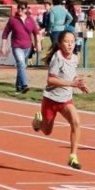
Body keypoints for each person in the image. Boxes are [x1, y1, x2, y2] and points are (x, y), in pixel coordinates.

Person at [32, 31, 90, 170]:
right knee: (47, 131)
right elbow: (50, 79)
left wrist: (79, 83)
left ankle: (73, 156)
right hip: (51, 99)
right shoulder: (57, 58)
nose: (70, 44)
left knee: (76, 122)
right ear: (60, 44)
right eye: (66, 42)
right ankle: (37, 122)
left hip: (66, 100)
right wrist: (71, 84)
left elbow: (71, 74)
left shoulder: (75, 58)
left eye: (72, 41)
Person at [1, 3, 41, 93]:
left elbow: (36, 32)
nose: (20, 10)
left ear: (26, 9)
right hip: (16, 46)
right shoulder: (12, 20)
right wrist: (3, 46)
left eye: (22, 8)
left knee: (22, 66)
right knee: (21, 64)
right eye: (18, 8)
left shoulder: (30, 20)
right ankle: (24, 85)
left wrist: (38, 43)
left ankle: (18, 86)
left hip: (27, 46)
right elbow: (5, 33)